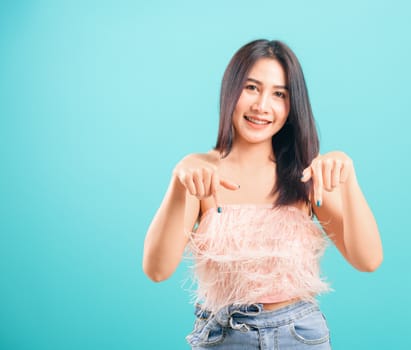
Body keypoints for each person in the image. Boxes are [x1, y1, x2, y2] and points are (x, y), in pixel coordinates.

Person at [142, 39, 383, 349]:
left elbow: (369, 260)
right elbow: (157, 270)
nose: (261, 106)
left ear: (292, 105)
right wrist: (179, 180)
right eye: (251, 88)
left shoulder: (307, 174)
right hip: (223, 336)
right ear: (230, 90)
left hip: (300, 336)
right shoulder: (199, 174)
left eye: (279, 94)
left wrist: (348, 177)